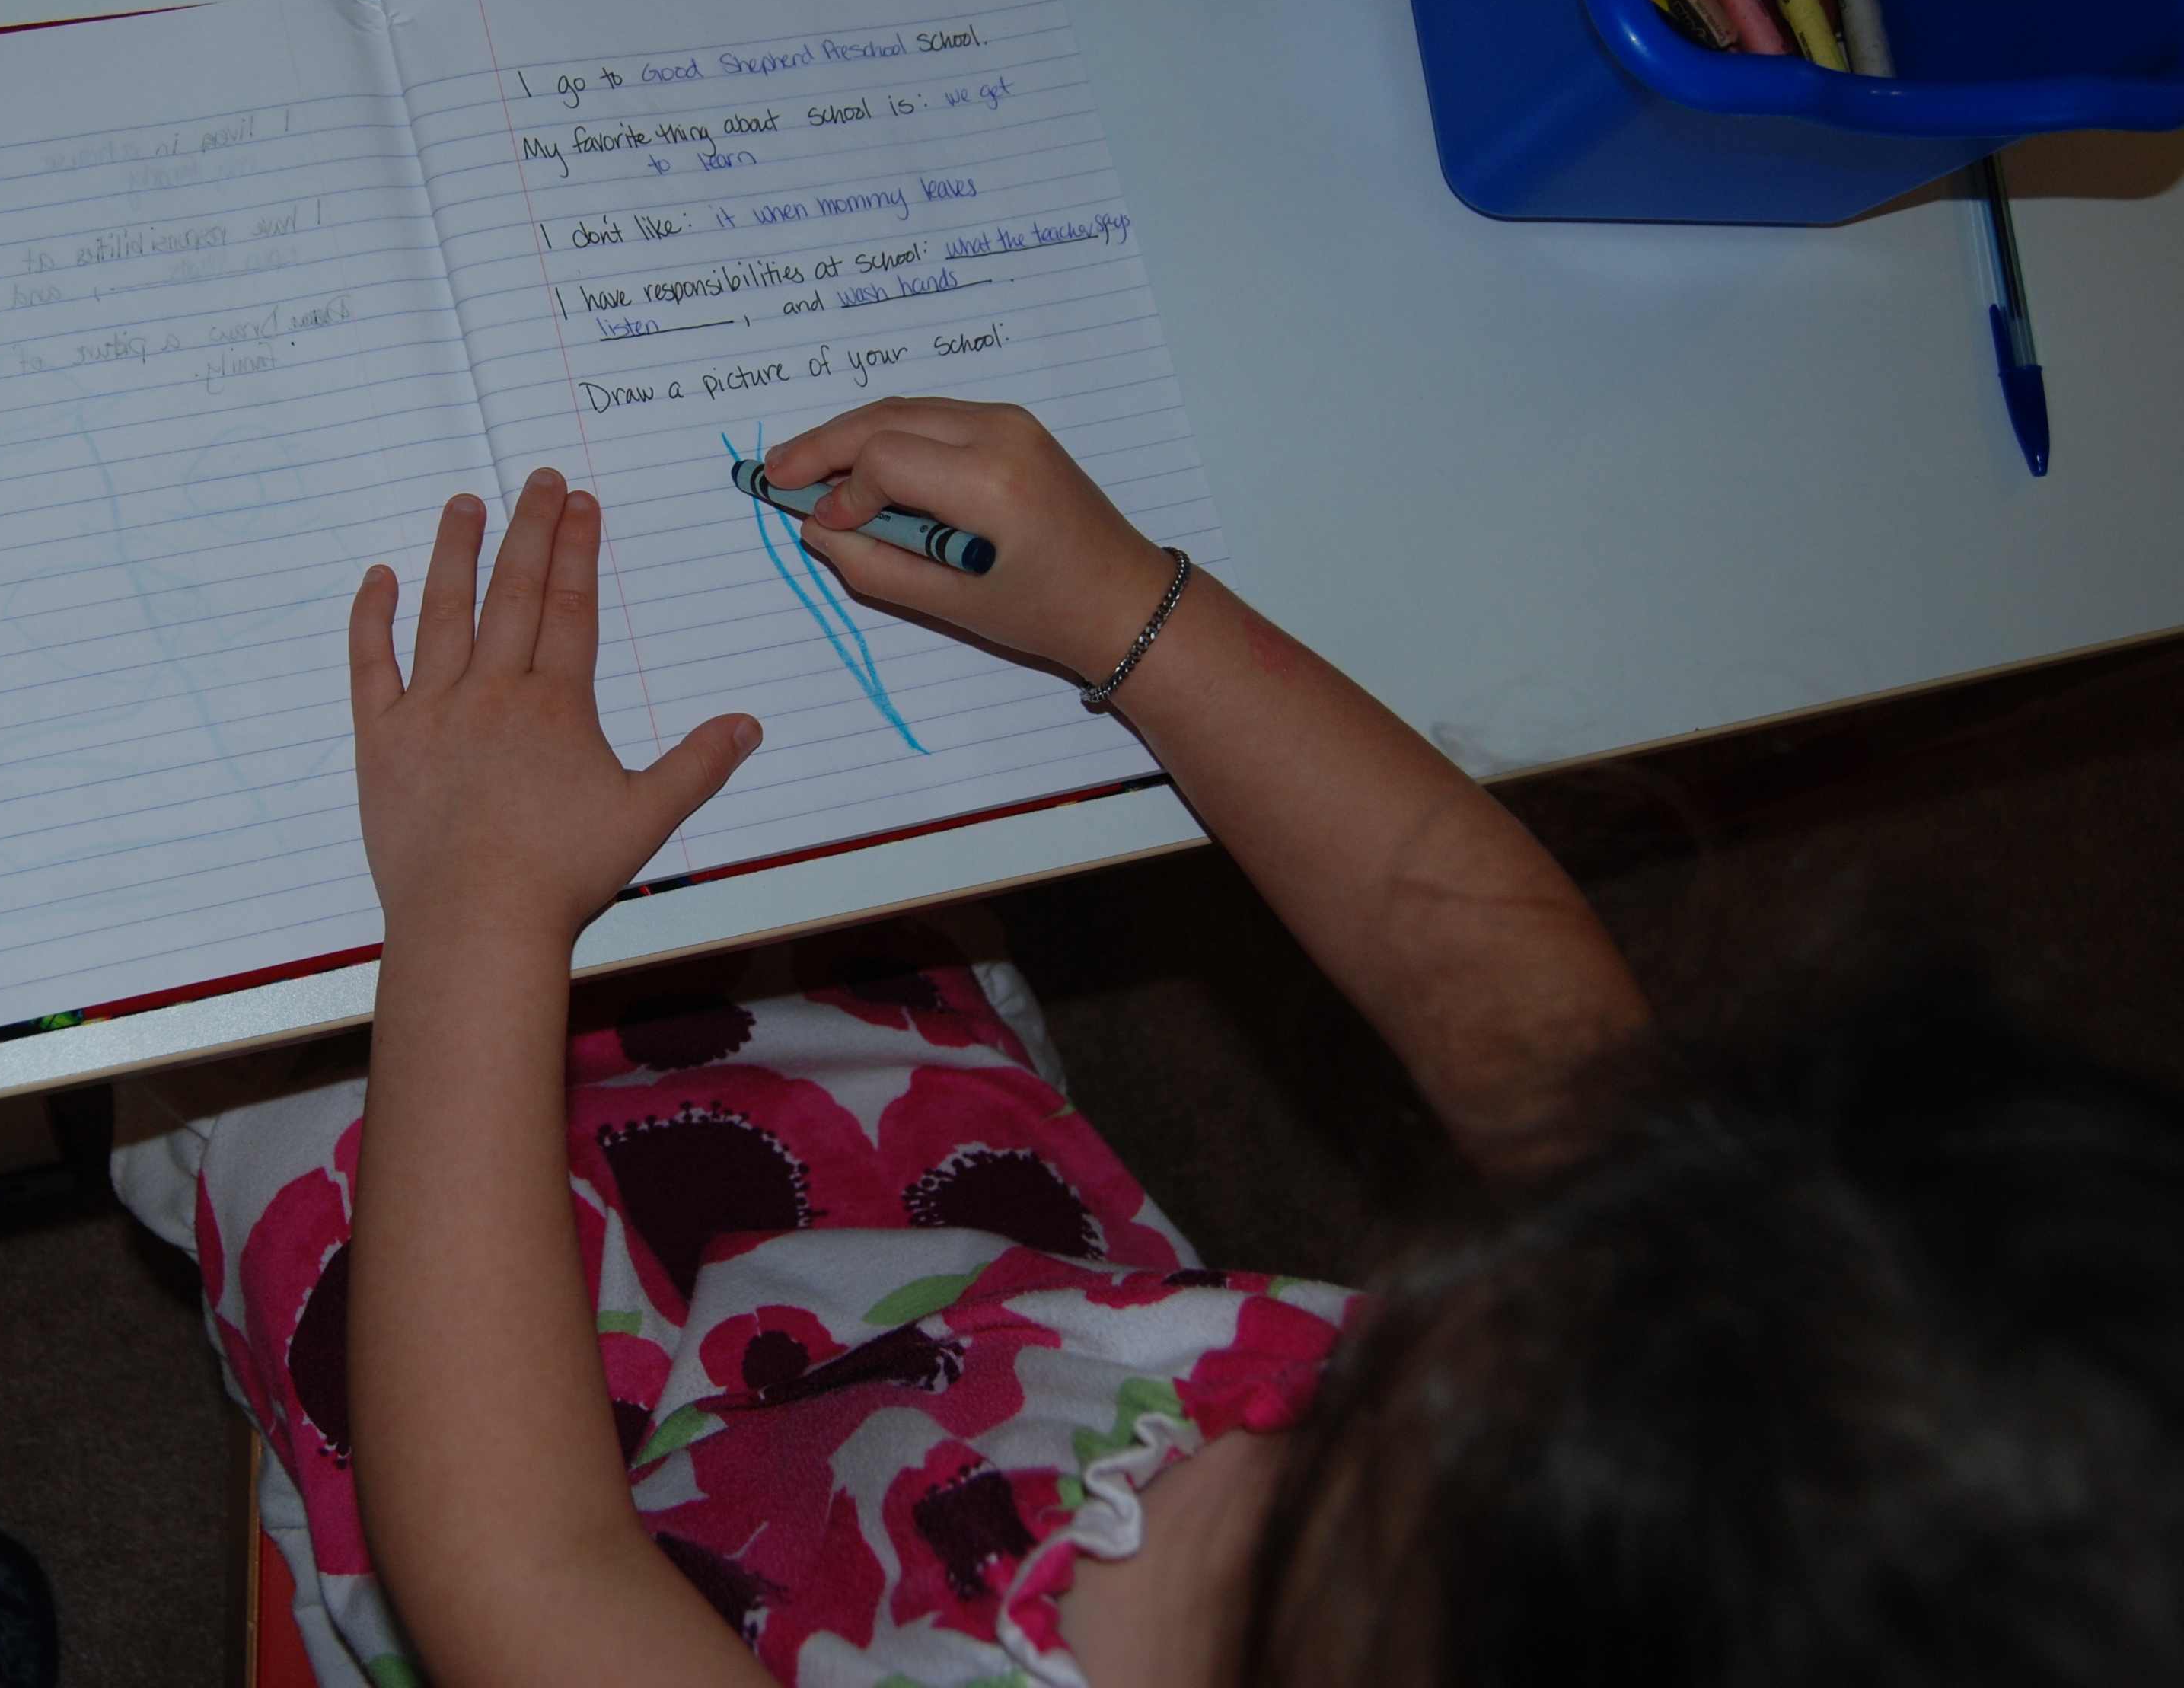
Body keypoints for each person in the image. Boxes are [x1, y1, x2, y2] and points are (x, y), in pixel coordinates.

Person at [114, 398, 2184, 1688]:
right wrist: (1129, 609)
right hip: (947, 1329)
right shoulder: (1733, 1399)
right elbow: (1513, 994)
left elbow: (518, 1577)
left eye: (1383, 1455)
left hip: (607, 1561)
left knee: (288, 1053)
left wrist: (478, 912)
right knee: (841, 953)